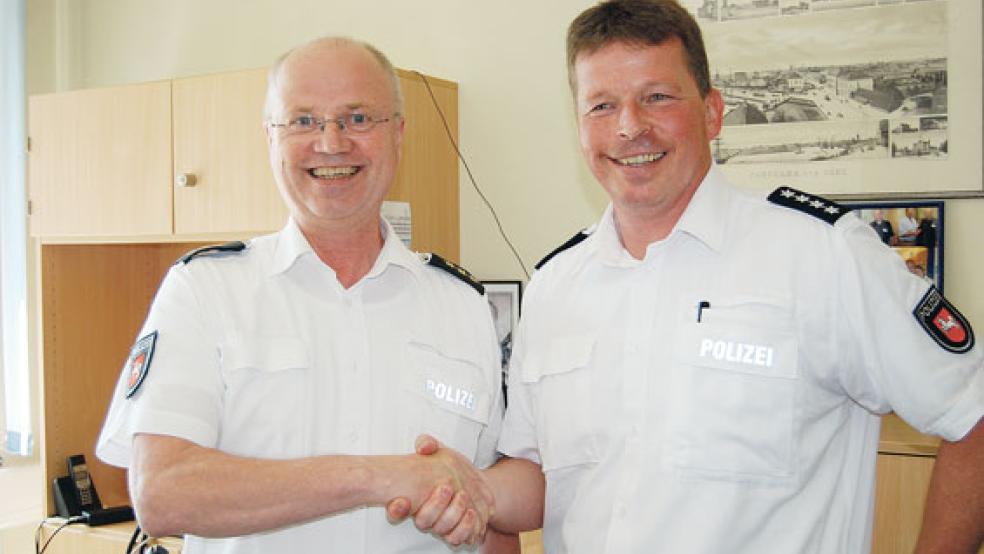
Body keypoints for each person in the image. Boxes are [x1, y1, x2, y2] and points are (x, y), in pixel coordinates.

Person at [461, 1, 983, 552]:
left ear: (712, 112)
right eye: (601, 105)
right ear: (579, 127)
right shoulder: (554, 286)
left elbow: (973, 412)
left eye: (656, 97)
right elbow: (532, 473)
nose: (629, 126)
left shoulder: (822, 255)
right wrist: (462, 488)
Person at [96, 37, 512, 553]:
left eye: (358, 118)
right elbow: (162, 493)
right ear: (270, 138)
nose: (332, 142)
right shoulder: (205, 291)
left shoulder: (464, 308)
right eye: (303, 121)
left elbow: (491, 513)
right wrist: (377, 477)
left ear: (399, 134)